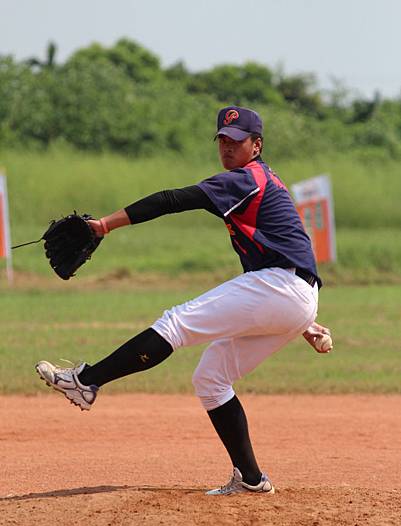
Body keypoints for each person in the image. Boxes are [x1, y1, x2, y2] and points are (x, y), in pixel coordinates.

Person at [36, 106, 332, 496]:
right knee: (211, 378)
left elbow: (174, 199)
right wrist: (302, 321)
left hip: (283, 288)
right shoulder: (263, 182)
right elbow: (287, 250)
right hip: (292, 292)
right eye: (223, 140)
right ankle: (251, 479)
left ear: (256, 145)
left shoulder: (246, 180)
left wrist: (105, 225)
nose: (227, 147)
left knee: (176, 323)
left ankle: (86, 382)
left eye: (237, 140)